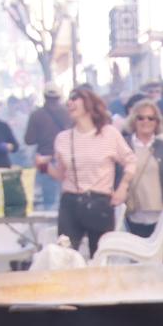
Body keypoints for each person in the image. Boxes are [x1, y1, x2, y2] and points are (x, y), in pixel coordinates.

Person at [49, 87, 131, 255]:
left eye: (75, 98)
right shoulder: (63, 138)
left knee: (100, 256)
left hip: (99, 202)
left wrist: (123, 187)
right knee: (65, 255)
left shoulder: (109, 134)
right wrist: (44, 167)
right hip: (71, 202)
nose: (70, 102)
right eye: (69, 100)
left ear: (88, 103)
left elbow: (130, 161)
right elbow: (61, 174)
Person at [121, 97, 163, 247]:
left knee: (162, 254)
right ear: (133, 120)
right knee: (136, 253)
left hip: (160, 210)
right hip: (134, 210)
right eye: (141, 118)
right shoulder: (124, 145)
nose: (146, 122)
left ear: (157, 122)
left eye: (151, 118)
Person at [24, 90, 69, 211]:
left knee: (48, 197)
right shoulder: (68, 113)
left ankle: (49, 224)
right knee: (67, 192)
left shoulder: (36, 115)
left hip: (44, 159)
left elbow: (29, 140)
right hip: (66, 158)